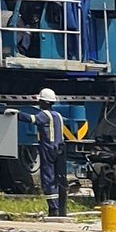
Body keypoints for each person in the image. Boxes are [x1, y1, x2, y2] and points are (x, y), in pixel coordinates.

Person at [33, 86, 69, 217]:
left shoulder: (44, 115)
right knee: (58, 178)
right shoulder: (58, 115)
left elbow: (33, 119)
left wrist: (16, 114)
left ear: (43, 102)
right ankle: (61, 208)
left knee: (48, 178)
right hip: (59, 148)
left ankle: (53, 209)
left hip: (47, 148)